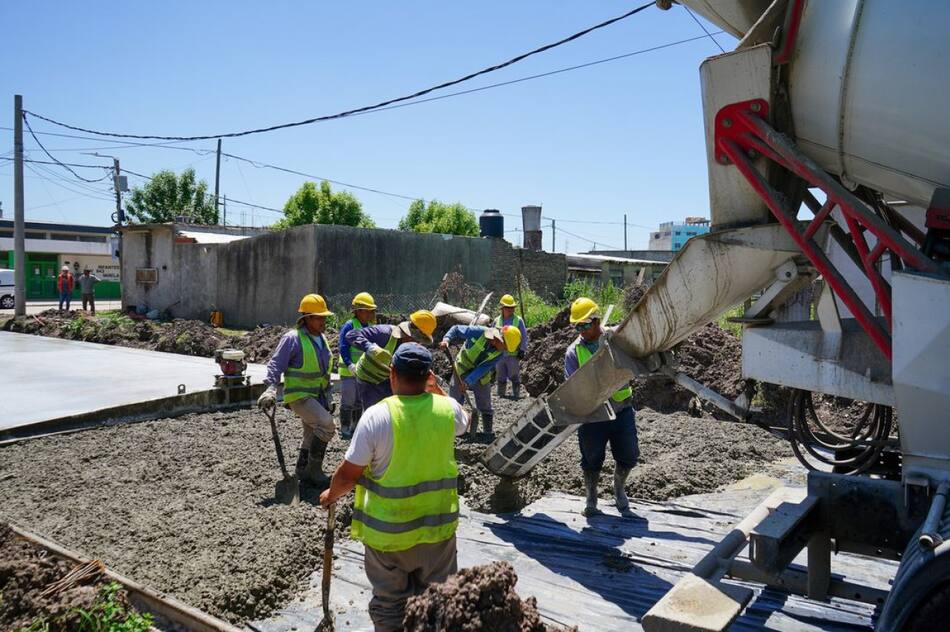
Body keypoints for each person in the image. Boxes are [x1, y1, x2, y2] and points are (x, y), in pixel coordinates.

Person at [320, 343, 468, 632]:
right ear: (428, 376)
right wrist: (435, 389)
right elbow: (465, 419)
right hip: (437, 533)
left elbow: (349, 475)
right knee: (439, 604)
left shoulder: (377, 417)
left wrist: (331, 495)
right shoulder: (447, 410)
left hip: (389, 538)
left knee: (389, 607)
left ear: (392, 374)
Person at [564, 297, 639, 518]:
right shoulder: (573, 352)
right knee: (591, 459)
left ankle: (618, 490)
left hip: (621, 409)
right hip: (593, 415)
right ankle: (591, 497)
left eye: (585, 325)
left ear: (597, 321)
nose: (582, 330)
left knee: (629, 454)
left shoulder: (615, 338)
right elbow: (572, 387)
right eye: (578, 326)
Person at [257, 294, 336, 486]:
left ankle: (302, 470)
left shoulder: (322, 339)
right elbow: (276, 364)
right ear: (306, 318)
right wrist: (270, 389)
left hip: (317, 396)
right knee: (327, 425)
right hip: (299, 396)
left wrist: (329, 395)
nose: (323, 321)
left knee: (311, 432)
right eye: (319, 317)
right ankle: (315, 470)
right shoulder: (293, 338)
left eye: (324, 317)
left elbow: (323, 372)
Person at [439, 323, 521, 438]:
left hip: (480, 375)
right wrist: (446, 340)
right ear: (500, 339)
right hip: (461, 368)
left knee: (485, 403)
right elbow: (456, 329)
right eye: (505, 346)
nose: (505, 350)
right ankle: (453, 430)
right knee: (455, 401)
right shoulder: (481, 332)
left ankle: (487, 433)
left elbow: (483, 368)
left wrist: (468, 382)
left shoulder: (499, 354)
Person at [346, 310, 436, 411]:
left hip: (387, 379)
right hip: (368, 379)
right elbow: (351, 334)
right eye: (415, 339)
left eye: (419, 341)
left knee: (393, 410)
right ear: (409, 332)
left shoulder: (413, 346)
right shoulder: (384, 333)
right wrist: (370, 348)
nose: (416, 343)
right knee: (375, 412)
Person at [338, 292, 378, 439]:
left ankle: (355, 428)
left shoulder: (370, 326)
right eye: (368, 310)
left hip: (362, 371)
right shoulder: (350, 325)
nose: (371, 314)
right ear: (359, 310)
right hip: (349, 371)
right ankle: (345, 428)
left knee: (358, 401)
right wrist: (349, 364)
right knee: (348, 400)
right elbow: (343, 346)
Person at [493, 294, 529, 399]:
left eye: (512, 308)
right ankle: (501, 396)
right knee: (500, 376)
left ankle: (516, 395)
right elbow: (492, 336)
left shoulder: (518, 320)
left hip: (513, 354)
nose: (510, 310)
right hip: (500, 354)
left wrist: (522, 350)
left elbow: (524, 336)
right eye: (508, 308)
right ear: (502, 308)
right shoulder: (497, 321)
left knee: (514, 376)